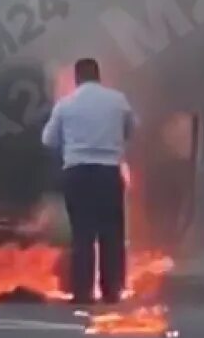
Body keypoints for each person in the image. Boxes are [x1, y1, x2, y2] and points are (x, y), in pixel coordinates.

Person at [42, 59, 136, 305]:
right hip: (108, 172)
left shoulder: (66, 105)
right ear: (98, 75)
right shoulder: (118, 101)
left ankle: (82, 292)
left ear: (77, 78)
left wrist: (71, 144)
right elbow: (132, 129)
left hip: (78, 173)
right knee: (112, 234)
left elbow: (48, 139)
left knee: (82, 234)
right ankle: (111, 290)